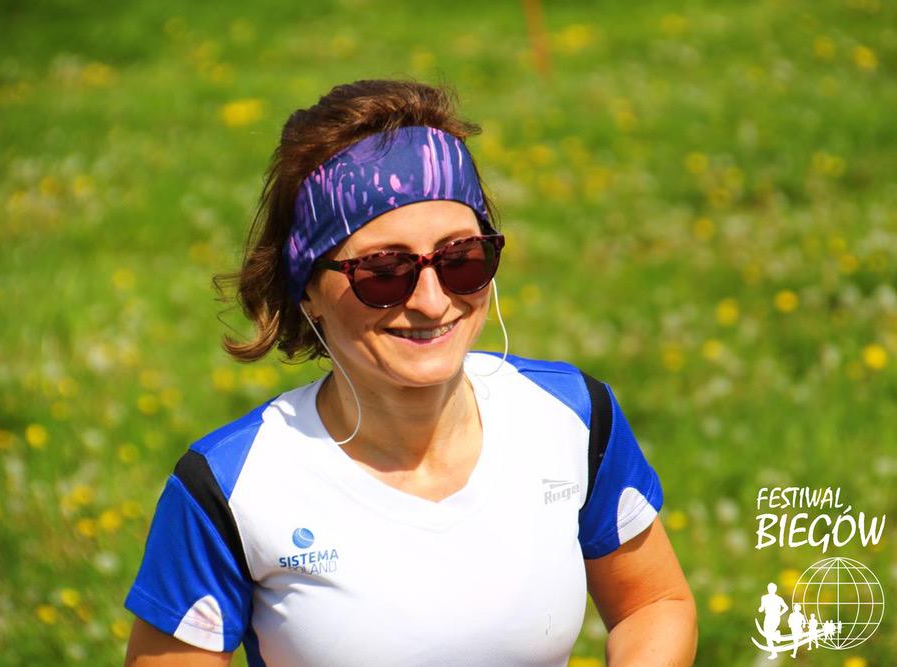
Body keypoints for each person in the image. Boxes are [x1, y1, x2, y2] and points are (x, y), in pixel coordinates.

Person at [123, 79, 697, 666]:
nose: (430, 301)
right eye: (384, 271)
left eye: (460, 259)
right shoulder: (228, 488)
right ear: (308, 290)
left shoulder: (572, 418)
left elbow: (652, 604)